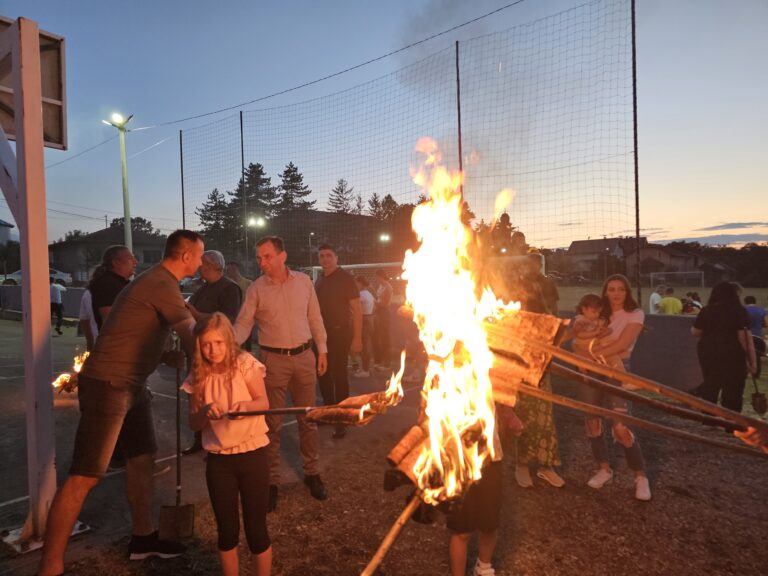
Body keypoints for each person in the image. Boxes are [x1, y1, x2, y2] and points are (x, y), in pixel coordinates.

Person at [37, 230, 204, 576]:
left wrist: (164, 354)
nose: (201, 262)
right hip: (110, 385)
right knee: (85, 474)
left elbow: (137, 332)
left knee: (142, 460)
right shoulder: (161, 283)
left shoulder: (160, 283)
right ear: (186, 255)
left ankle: (142, 539)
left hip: (132, 384)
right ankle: (50, 566)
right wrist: (201, 382)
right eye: (200, 255)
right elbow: (191, 333)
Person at [232, 236, 328, 512]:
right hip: (273, 361)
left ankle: (312, 472)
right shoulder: (257, 289)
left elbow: (315, 318)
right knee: (272, 423)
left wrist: (322, 351)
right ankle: (271, 481)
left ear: (282, 256)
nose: (262, 262)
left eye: (267, 256)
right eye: (259, 257)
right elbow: (243, 323)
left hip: (304, 357)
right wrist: (226, 346)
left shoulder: (304, 282)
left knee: (307, 419)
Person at [182, 313, 272, 576]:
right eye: (207, 344)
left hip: (253, 455)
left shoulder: (245, 364)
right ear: (199, 345)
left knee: (256, 531)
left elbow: (263, 402)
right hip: (219, 461)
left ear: (229, 341)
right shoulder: (197, 376)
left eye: (219, 343)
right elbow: (194, 424)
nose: (213, 350)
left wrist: (247, 407)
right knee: (227, 531)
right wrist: (204, 412)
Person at [585, 274, 651, 501]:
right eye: (611, 289)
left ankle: (640, 477)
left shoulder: (635, 314)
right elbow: (581, 333)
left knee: (620, 427)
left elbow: (624, 345)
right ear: (605, 292)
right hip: (593, 368)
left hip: (617, 369)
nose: (615, 293)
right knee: (593, 420)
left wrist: (593, 354)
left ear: (627, 292)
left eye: (620, 289)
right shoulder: (599, 314)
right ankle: (604, 469)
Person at [183, 250, 243, 455]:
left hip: (218, 352)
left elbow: (228, 319)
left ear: (212, 266)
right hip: (198, 350)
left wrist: (197, 314)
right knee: (198, 394)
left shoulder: (230, 288)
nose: (199, 267)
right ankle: (200, 437)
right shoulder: (203, 289)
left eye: (203, 264)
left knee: (218, 394)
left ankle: (222, 439)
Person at [513, 254, 565, 489]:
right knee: (522, 410)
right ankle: (521, 465)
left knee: (545, 412)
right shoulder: (516, 285)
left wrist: (555, 332)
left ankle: (546, 465)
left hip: (542, 348)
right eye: (527, 263)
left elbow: (553, 308)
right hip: (519, 353)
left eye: (535, 263)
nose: (531, 267)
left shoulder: (547, 284)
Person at [314, 244, 362, 439]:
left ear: (336, 257)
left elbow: (357, 310)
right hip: (320, 335)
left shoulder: (346, 279)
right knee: (322, 373)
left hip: (340, 334)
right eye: (322, 256)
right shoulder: (319, 280)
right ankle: (328, 414)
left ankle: (342, 418)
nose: (325, 259)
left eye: (329, 255)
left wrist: (357, 338)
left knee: (339, 376)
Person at [691, 282, 757, 413]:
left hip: (708, 351)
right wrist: (752, 361)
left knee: (710, 384)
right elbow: (744, 338)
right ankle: (731, 421)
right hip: (732, 353)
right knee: (733, 386)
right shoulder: (738, 311)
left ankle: (708, 418)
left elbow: (695, 332)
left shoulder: (707, 310)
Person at [448, 423, 503, 576]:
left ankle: (483, 568)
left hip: (491, 457)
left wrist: (510, 416)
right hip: (459, 462)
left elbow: (509, 401)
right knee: (461, 530)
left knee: (490, 523)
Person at [571, 293, 624, 372]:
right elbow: (578, 334)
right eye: (594, 312)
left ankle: (621, 373)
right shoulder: (581, 321)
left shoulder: (596, 320)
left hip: (595, 344)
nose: (597, 314)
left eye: (599, 312)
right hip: (583, 346)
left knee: (611, 355)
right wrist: (594, 333)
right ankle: (621, 375)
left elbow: (603, 329)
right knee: (610, 355)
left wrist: (607, 330)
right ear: (584, 309)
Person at [353, 276, 375, 378]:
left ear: (360, 284)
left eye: (356, 283)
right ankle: (364, 368)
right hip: (369, 319)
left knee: (364, 346)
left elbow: (355, 308)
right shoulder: (369, 294)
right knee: (366, 344)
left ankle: (365, 370)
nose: (355, 285)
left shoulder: (361, 294)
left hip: (364, 320)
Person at [373, 269, 393, 370]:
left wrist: (375, 302)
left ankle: (387, 363)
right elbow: (379, 299)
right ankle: (380, 361)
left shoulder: (388, 287)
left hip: (384, 313)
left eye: (377, 277)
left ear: (381, 276)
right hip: (378, 312)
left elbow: (385, 303)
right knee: (379, 338)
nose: (376, 279)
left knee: (385, 338)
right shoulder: (381, 286)